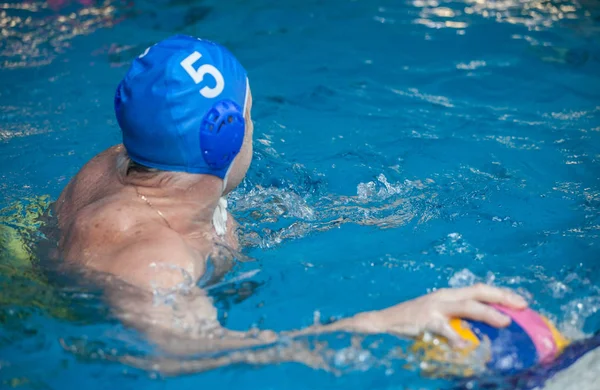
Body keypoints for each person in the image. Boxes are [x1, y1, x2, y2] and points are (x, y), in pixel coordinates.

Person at [54, 34, 527, 369]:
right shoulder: (155, 259)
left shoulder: (121, 162)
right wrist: (384, 322)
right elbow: (186, 351)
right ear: (225, 138)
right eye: (249, 116)